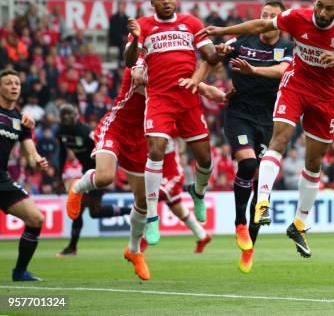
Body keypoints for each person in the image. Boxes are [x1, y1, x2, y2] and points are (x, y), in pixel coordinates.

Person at [205, 0, 334, 258]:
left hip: (324, 95)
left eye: (328, 8)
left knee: (314, 162)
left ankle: (299, 223)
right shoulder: (297, 16)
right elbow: (260, 25)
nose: (321, 11)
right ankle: (263, 202)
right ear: (315, 0)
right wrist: (223, 31)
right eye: (319, 4)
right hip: (295, 84)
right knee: (280, 139)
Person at [66, 61, 226, 280]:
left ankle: (134, 251)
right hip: (116, 129)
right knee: (104, 177)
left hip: (140, 141)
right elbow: (140, 72)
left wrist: (208, 89)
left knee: (142, 202)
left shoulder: (170, 69)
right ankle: (79, 186)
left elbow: (192, 84)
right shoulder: (138, 68)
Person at [124, 0, 226, 245]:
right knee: (156, 149)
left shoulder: (191, 23)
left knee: (204, 159)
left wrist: (219, 51)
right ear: (153, 2)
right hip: (159, 99)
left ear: (175, 0)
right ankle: (152, 216)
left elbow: (210, 56)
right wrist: (135, 38)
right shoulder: (143, 26)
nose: (166, 1)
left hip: (188, 99)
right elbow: (128, 61)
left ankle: (199, 191)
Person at [220, 0, 293, 273]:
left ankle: (250, 245)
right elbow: (215, 58)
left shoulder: (287, 47)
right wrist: (213, 60)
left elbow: (284, 70)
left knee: (261, 186)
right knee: (249, 165)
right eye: (264, 15)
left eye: (272, 16)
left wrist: (254, 71)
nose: (266, 19)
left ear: (280, 21)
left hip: (269, 119)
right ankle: (240, 223)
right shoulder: (243, 41)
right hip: (239, 113)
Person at [57, 103, 130, 257]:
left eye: (69, 113)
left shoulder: (85, 132)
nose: (67, 117)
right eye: (63, 114)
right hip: (86, 173)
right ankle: (130, 211)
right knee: (94, 213)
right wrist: (59, 177)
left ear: (76, 115)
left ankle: (72, 247)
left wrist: (106, 171)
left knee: (81, 208)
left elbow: (102, 149)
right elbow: (63, 153)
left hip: (98, 172)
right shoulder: (61, 132)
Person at [0, 69, 48, 281]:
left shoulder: (21, 120)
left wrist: (38, 160)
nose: (14, 87)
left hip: (2, 179)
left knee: (36, 218)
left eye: (17, 83)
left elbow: (30, 153)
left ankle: (19, 272)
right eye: (9, 83)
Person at [140, 139, 212, 254]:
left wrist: (179, 147)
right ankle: (202, 236)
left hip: (172, 176)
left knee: (150, 197)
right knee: (177, 208)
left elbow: (181, 137)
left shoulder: (166, 127)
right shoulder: (145, 131)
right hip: (158, 176)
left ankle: (144, 238)